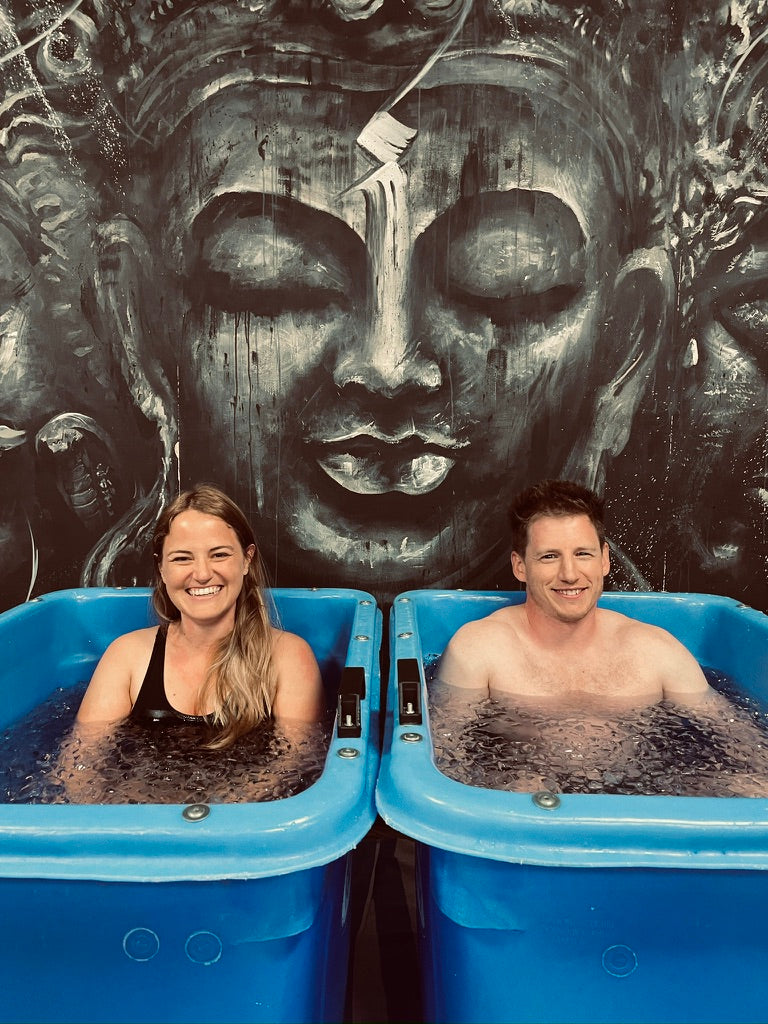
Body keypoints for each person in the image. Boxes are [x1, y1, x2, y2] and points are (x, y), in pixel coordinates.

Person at [75, 484, 324, 747]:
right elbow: (80, 768)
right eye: (182, 559)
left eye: (219, 555)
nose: (202, 573)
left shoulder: (289, 658)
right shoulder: (126, 656)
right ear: (162, 569)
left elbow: (293, 770)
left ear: (246, 560)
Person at [437, 479, 712, 706]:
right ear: (520, 566)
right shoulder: (478, 652)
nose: (569, 574)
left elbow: (736, 747)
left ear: (604, 560)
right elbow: (440, 758)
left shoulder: (656, 652)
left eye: (582, 554)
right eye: (549, 557)